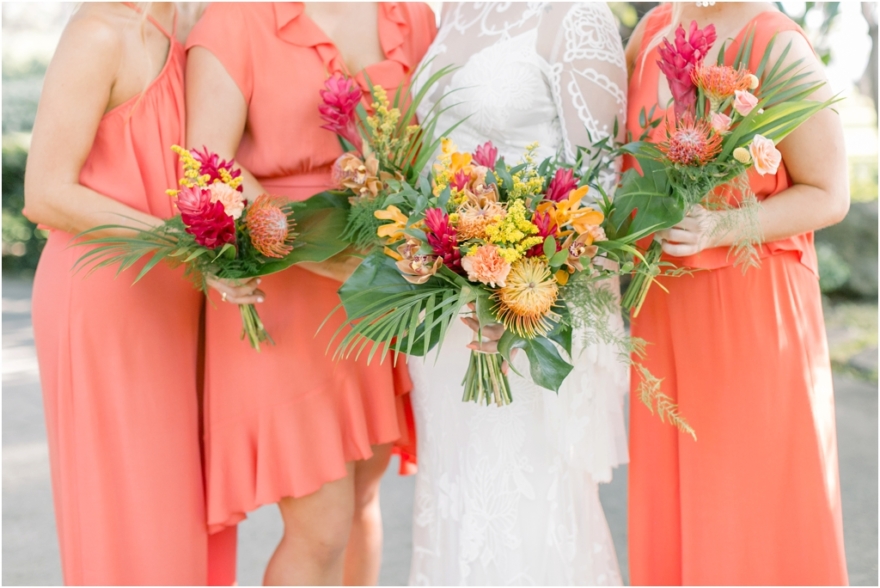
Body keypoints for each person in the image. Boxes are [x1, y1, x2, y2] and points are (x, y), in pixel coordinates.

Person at [184, 3, 436, 584]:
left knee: (361, 506)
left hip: (379, 289)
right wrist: (312, 244)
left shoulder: (409, 16)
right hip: (283, 291)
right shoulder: (234, 20)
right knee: (320, 529)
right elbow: (207, 164)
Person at [624, 2, 850, 584]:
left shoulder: (774, 43)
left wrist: (721, 227)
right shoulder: (651, 35)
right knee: (680, 504)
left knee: (744, 509)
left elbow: (830, 192)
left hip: (751, 310)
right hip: (665, 308)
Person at [406, 3, 629, 584]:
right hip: (446, 314)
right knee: (453, 501)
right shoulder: (453, 9)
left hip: (530, 316)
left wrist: (521, 292)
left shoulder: (577, 18)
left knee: (527, 503)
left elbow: (598, 193)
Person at [24, 3, 236, 585]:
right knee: (128, 515)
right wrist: (187, 243)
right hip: (103, 300)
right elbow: (44, 191)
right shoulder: (97, 34)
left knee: (181, 511)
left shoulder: (191, 31)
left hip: (178, 302)